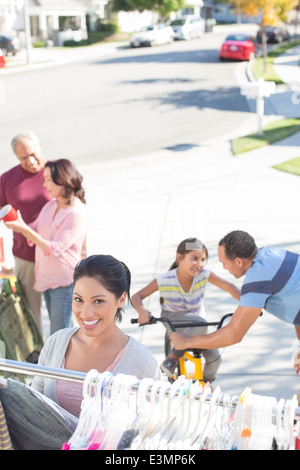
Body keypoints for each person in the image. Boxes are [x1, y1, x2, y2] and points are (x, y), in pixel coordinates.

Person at [0, 254, 161, 450]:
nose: (86, 312)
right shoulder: (56, 343)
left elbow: (154, 430)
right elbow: (32, 409)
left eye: (98, 301)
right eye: (79, 299)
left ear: (121, 299)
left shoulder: (143, 363)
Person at [170, 230, 300, 375]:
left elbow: (234, 334)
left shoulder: (257, 280)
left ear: (238, 261)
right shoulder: (272, 254)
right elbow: (296, 302)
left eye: (224, 263)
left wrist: (187, 342)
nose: (224, 268)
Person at [131, 237, 240, 381]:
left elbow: (229, 287)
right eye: (194, 258)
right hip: (175, 320)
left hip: (198, 324)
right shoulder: (165, 279)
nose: (199, 264)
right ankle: (173, 357)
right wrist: (142, 311)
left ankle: (204, 385)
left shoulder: (203, 275)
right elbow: (137, 296)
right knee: (200, 323)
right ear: (180, 258)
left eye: (203, 260)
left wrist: (248, 304)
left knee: (215, 359)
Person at [4, 158, 87, 335]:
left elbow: (54, 247)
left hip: (63, 283)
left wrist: (24, 229)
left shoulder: (76, 213)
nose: (45, 184)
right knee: (60, 333)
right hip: (48, 280)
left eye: (49, 179)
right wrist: (18, 224)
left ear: (63, 180)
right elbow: (36, 228)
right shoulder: (51, 205)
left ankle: (62, 364)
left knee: (60, 334)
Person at [0, 131, 50, 331]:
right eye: (23, 157)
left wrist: (82, 251)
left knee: (65, 307)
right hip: (25, 256)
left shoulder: (56, 172)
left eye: (32, 154)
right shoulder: (7, 180)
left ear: (40, 146)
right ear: (16, 157)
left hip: (57, 254)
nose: (30, 161)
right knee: (31, 311)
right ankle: (37, 354)